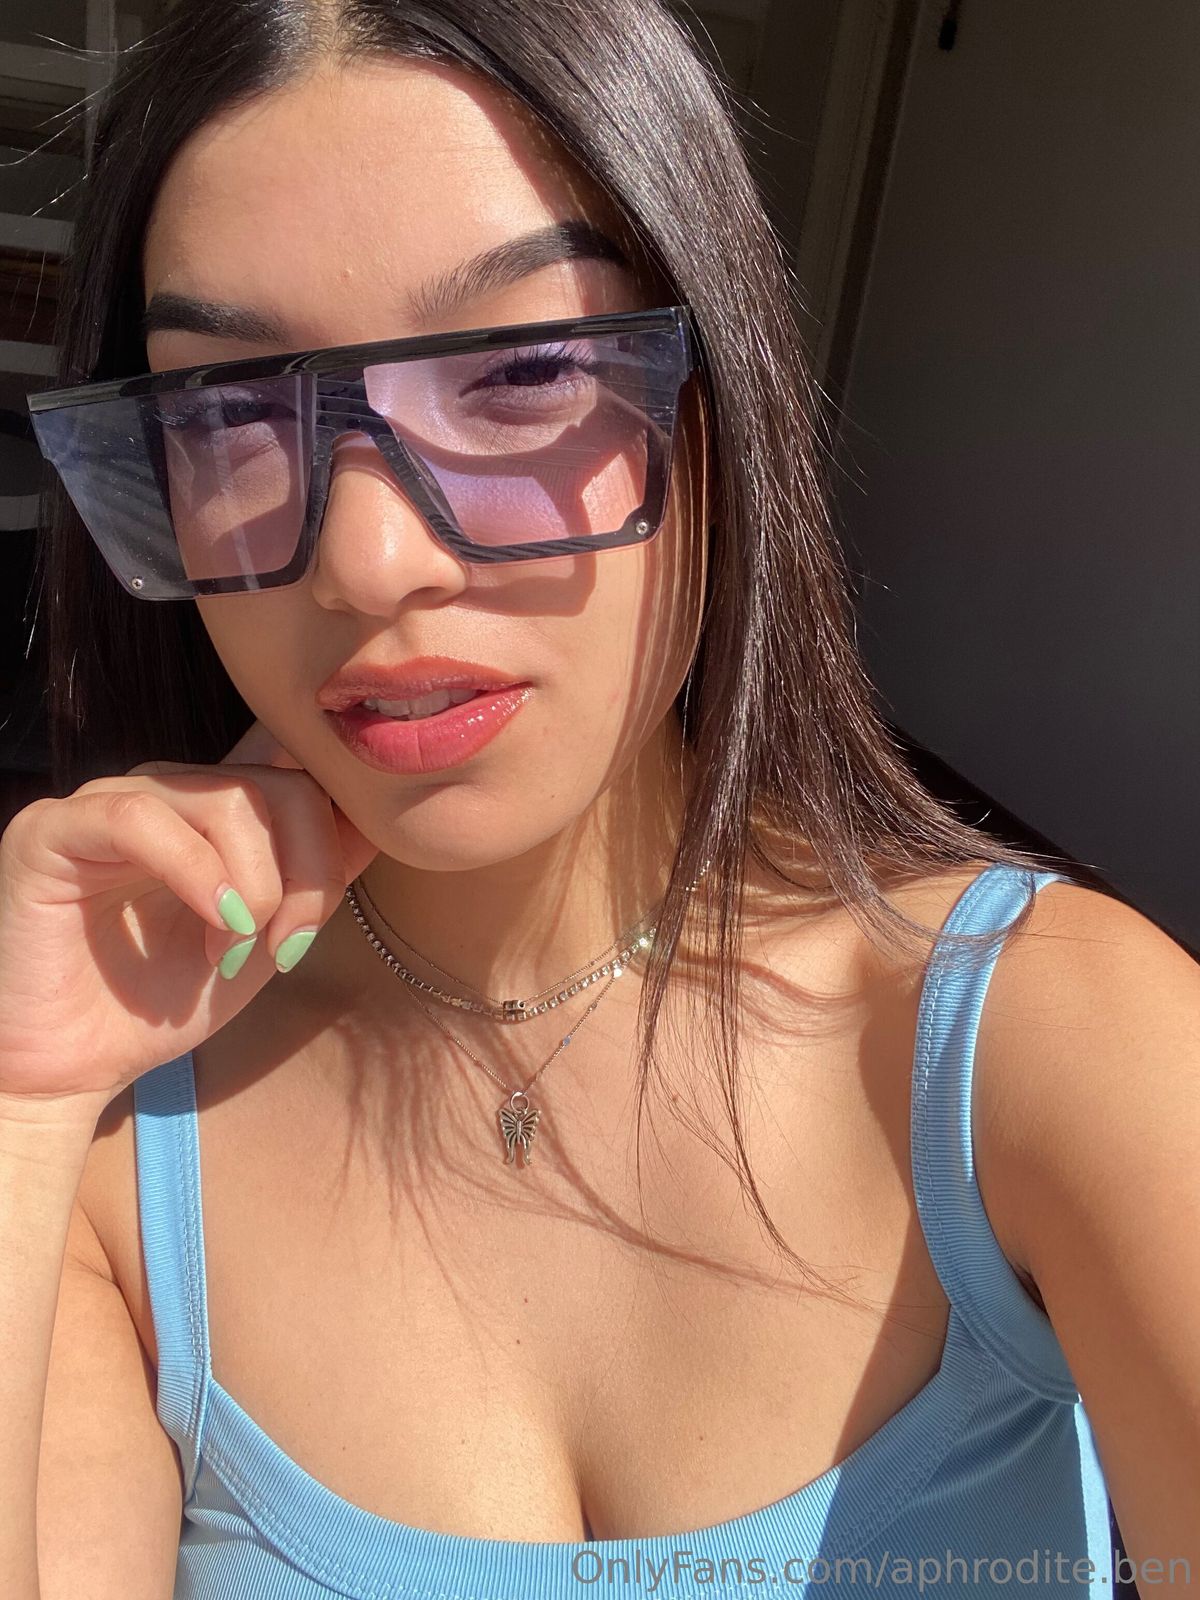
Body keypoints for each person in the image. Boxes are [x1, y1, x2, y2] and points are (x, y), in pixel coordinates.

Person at [2, 3, 1197, 1596]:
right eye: (230, 414)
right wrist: (18, 1104)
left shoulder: (1050, 1039)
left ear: (721, 402)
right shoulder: (112, 1138)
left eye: (519, 374)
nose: (367, 560)